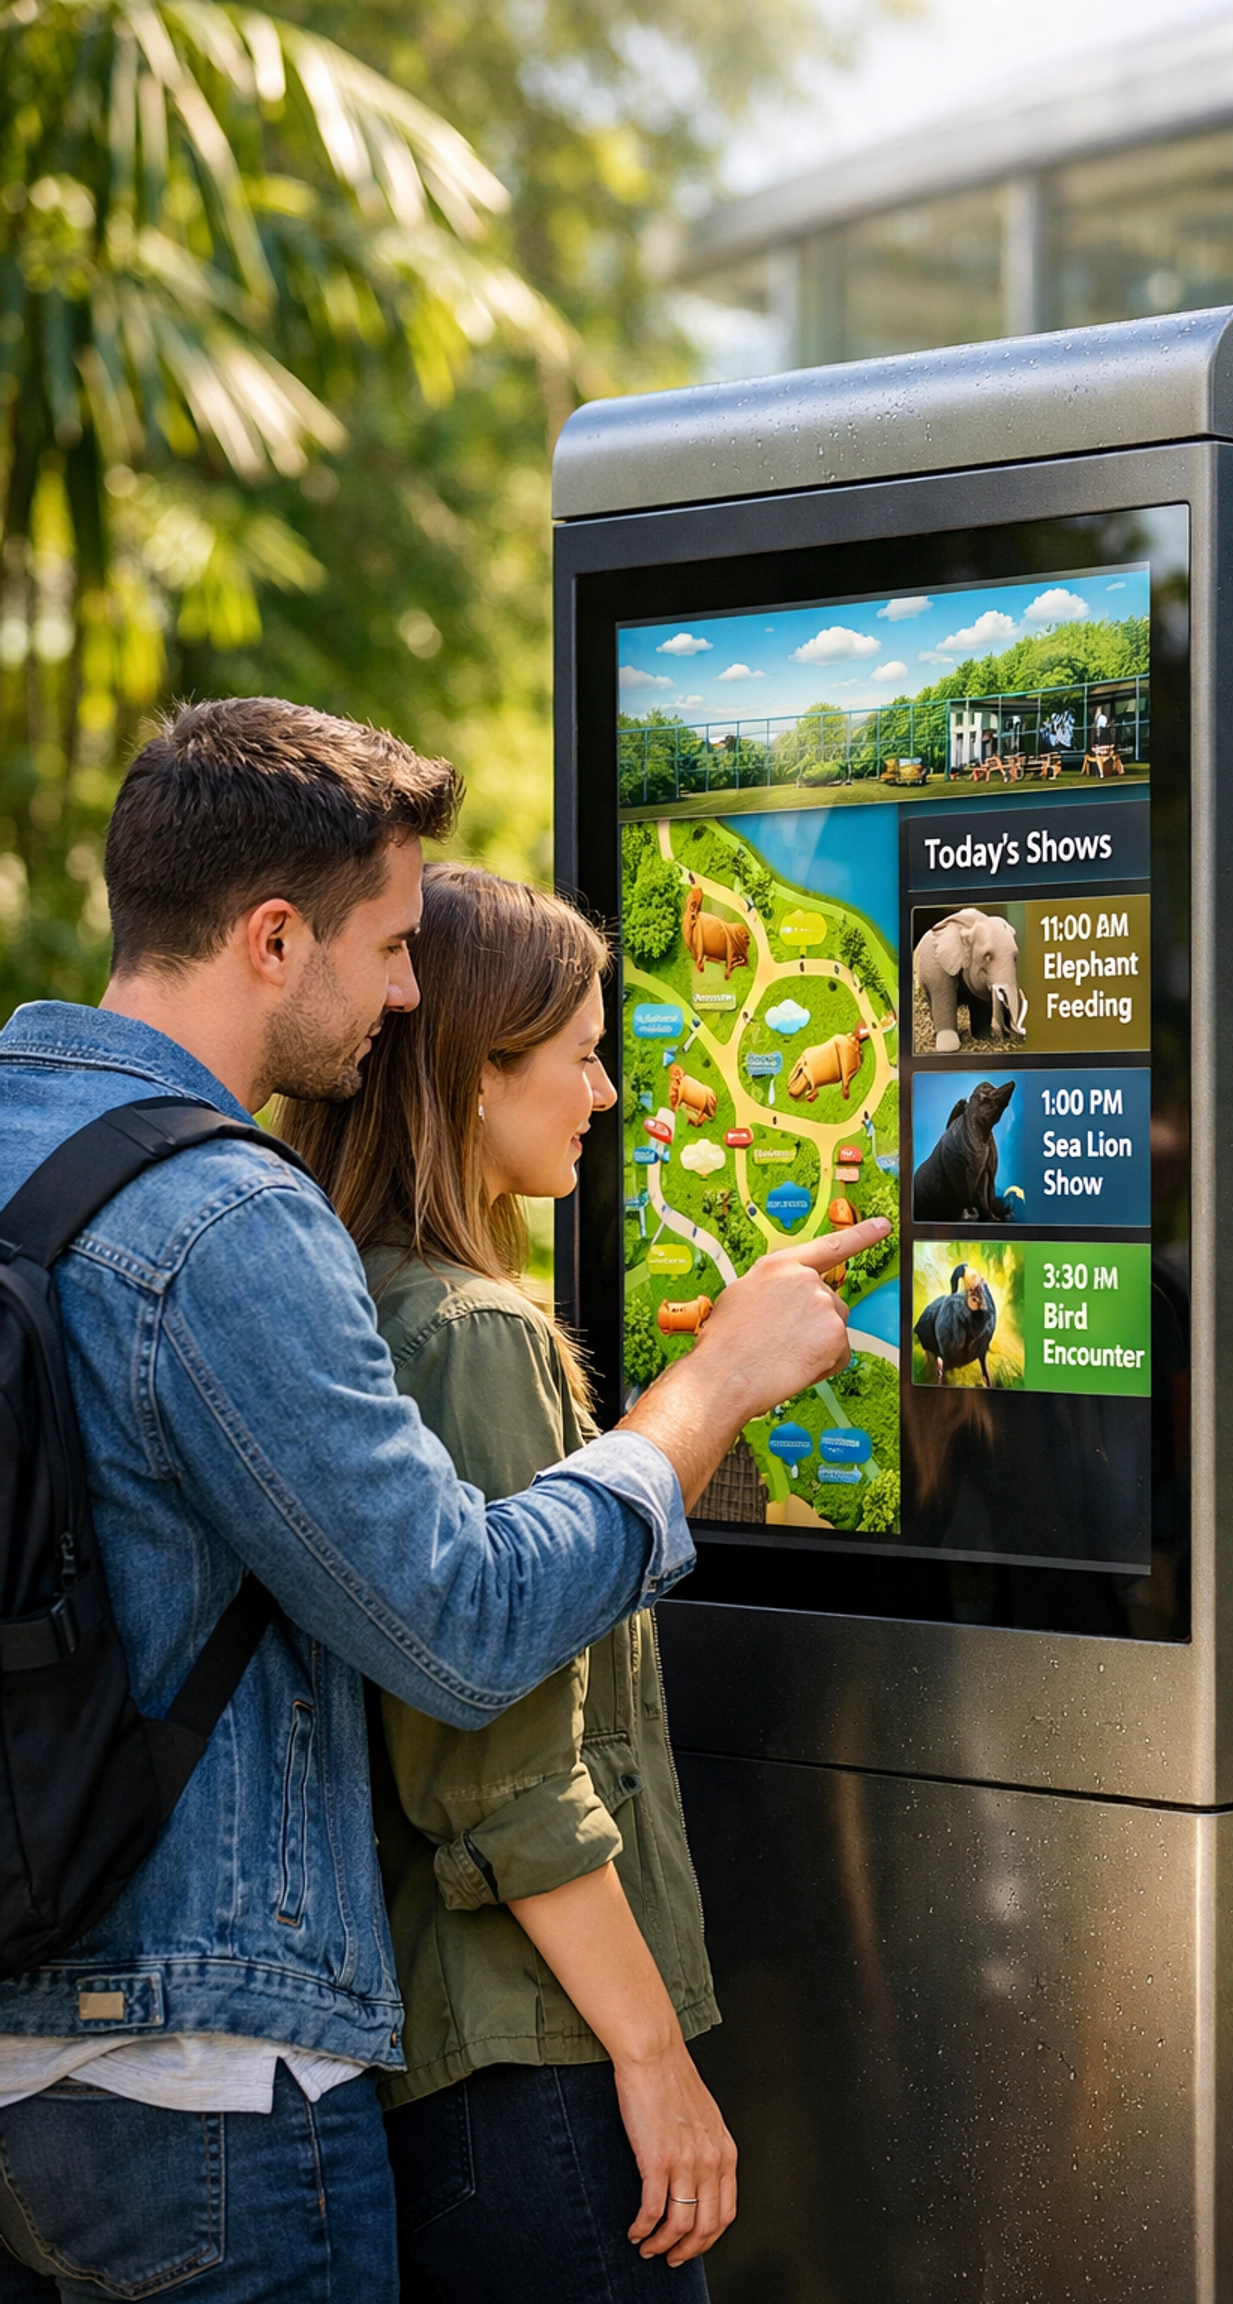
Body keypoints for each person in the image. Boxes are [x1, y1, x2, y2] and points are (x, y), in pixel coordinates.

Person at [0, 699, 886, 2300]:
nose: (407, 991)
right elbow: (460, 1628)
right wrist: (704, 1395)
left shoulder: (17, 1142)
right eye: (394, 946)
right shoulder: (222, 1218)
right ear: (275, 938)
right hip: (205, 2072)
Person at [278, 865, 730, 2300]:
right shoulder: (471, 1333)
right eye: (585, 1054)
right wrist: (654, 2064)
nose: (605, 1094)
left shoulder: (345, 1294)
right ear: (476, 1076)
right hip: (533, 2059)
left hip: (435, 2067)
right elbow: (506, 1775)